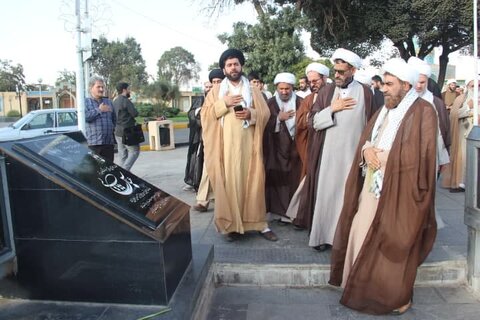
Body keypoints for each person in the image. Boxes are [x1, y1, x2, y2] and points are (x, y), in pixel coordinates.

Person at [329, 58, 438, 315]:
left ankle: (396, 295)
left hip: (402, 191)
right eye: (384, 84)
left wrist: (386, 157)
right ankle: (359, 285)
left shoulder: (424, 111)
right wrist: (367, 151)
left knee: (395, 243)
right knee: (360, 231)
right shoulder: (385, 109)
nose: (384, 89)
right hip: (372, 186)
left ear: (406, 85)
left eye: (390, 84)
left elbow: (423, 157)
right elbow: (368, 139)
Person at [295, 48, 374, 251]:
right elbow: (312, 121)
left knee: (347, 198)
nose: (337, 75)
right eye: (335, 71)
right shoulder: (327, 91)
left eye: (341, 71)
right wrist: (332, 109)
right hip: (328, 156)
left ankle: (344, 239)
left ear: (353, 71)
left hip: (352, 156)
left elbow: (371, 124)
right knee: (327, 198)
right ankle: (321, 237)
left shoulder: (366, 92)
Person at [200, 48, 277, 242]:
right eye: (229, 65)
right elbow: (205, 116)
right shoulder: (217, 91)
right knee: (230, 185)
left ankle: (258, 224)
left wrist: (251, 114)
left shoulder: (252, 90)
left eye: (236, 64)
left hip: (249, 148)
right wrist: (223, 103)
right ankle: (231, 226)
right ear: (224, 68)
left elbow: (266, 114)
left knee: (254, 184)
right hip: (225, 149)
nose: (233, 68)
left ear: (241, 65)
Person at [285, 62, 329, 225]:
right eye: (310, 82)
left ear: (325, 78)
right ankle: (302, 216)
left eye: (315, 81)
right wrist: (312, 117)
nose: (312, 84)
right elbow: (301, 122)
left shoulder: (335, 95)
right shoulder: (309, 99)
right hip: (311, 146)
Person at [263, 72, 302, 220]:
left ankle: (293, 213)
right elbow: (263, 124)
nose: (284, 92)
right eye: (281, 89)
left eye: (287, 89)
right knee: (277, 182)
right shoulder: (270, 103)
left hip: (295, 149)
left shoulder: (301, 102)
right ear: (276, 88)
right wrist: (278, 119)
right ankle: (277, 213)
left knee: (294, 181)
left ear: (292, 88)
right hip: (275, 150)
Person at [191, 69, 225, 212]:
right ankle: (203, 201)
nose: (216, 85)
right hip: (210, 139)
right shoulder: (204, 98)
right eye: (214, 82)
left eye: (219, 82)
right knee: (208, 168)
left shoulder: (228, 95)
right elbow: (193, 115)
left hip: (228, 139)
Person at [442, 78, 475, 192]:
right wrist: (468, 108)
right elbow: (453, 114)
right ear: (468, 87)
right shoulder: (461, 99)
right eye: (473, 86)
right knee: (463, 158)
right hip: (464, 134)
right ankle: (461, 182)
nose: (476, 88)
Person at [183, 79, 214, 192]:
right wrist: (199, 112)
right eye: (207, 87)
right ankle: (195, 181)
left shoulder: (220, 98)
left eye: (211, 87)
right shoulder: (200, 99)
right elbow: (191, 114)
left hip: (213, 137)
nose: (209, 89)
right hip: (199, 136)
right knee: (197, 159)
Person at [85, 76, 116, 162]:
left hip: (108, 143)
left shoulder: (108, 102)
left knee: (109, 169)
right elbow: (86, 117)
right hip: (94, 144)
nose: (101, 89)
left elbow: (114, 119)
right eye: (98, 87)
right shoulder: (85, 102)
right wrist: (99, 110)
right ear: (91, 88)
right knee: (95, 171)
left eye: (102, 87)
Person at [112, 82, 140, 171]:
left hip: (117, 132)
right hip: (127, 131)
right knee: (134, 151)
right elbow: (135, 113)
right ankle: (125, 171)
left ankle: (121, 174)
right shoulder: (126, 101)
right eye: (128, 89)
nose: (129, 91)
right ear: (124, 90)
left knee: (123, 155)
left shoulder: (115, 101)